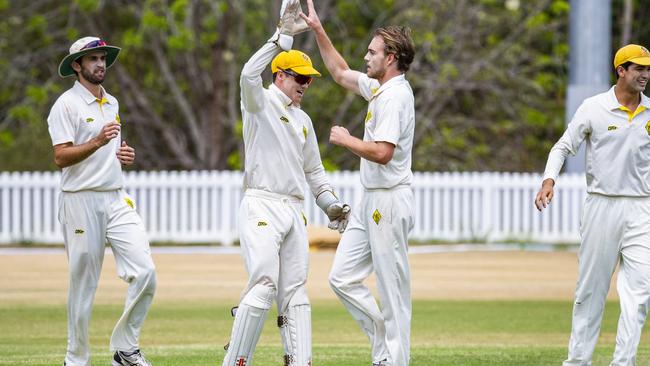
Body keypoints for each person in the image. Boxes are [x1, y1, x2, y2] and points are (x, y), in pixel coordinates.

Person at [221, 2, 351, 365]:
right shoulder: (259, 103)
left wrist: (330, 205)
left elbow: (314, 172)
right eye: (300, 78)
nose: (306, 85)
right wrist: (281, 39)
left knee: (295, 294)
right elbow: (247, 74)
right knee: (264, 286)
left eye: (309, 79)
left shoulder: (303, 120)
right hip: (261, 204)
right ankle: (235, 361)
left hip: (294, 211)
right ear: (279, 76)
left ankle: (299, 361)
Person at [301, 1, 416, 365]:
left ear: (392, 57)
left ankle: (394, 361)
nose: (366, 57)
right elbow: (338, 72)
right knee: (342, 277)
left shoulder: (396, 96)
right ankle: (382, 350)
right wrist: (318, 29)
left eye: (372, 52)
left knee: (392, 290)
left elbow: (383, 153)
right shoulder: (380, 89)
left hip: (389, 201)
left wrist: (346, 139)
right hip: (369, 201)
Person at [535, 44, 650, 365]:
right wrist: (549, 180)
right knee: (590, 295)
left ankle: (623, 362)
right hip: (601, 207)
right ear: (621, 71)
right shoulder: (594, 107)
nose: (645, 75)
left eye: (648, 69)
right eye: (638, 68)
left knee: (640, 296)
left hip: (643, 210)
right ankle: (578, 362)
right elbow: (562, 147)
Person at [48, 36, 156, 366]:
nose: (100, 64)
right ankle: (75, 359)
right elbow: (61, 157)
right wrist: (97, 142)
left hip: (115, 196)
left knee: (146, 272)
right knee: (83, 285)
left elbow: (109, 148)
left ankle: (125, 349)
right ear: (77, 66)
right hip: (80, 201)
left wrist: (123, 155)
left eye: (103, 58)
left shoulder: (112, 103)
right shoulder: (65, 105)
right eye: (93, 59)